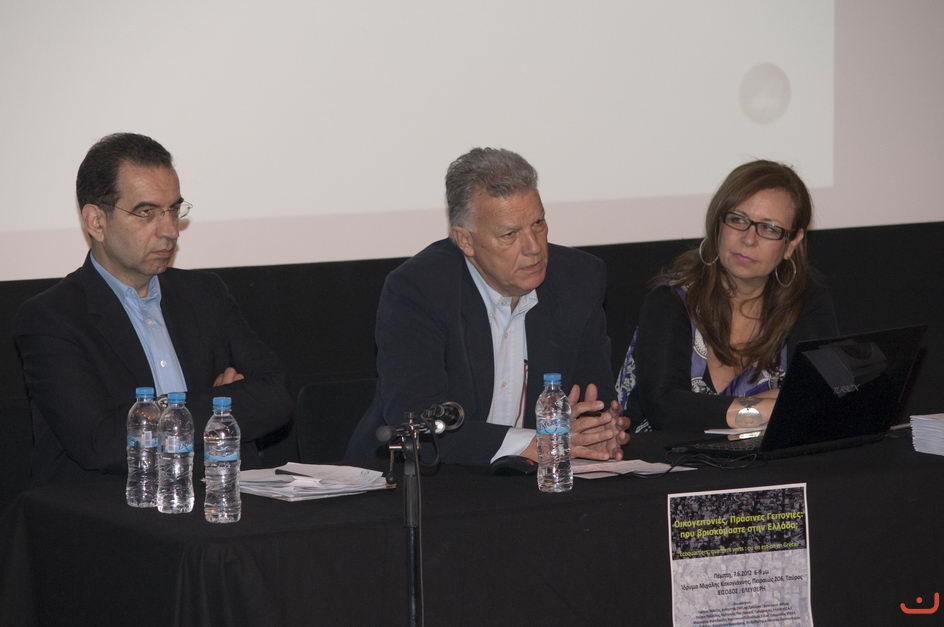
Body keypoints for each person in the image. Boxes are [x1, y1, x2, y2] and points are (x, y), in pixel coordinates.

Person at [14, 133, 294, 484]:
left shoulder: (205, 294)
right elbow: (102, 443)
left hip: (215, 497)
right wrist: (219, 402)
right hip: (110, 508)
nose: (170, 231)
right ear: (96, 222)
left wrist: (154, 414)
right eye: (146, 213)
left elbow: (276, 397)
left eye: (173, 210)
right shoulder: (52, 317)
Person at [346, 147, 630, 466]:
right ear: (465, 240)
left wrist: (600, 433)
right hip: (423, 477)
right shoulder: (419, 290)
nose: (534, 248)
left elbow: (595, 400)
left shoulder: (578, 279)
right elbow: (418, 426)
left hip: (534, 479)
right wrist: (533, 443)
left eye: (538, 223)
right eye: (510, 234)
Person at [616, 159, 838, 432]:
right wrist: (766, 408)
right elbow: (665, 408)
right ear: (718, 224)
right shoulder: (671, 300)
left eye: (769, 228)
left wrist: (715, 410)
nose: (749, 239)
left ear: (791, 243)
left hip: (764, 457)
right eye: (738, 219)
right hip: (666, 456)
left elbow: (823, 394)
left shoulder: (806, 299)